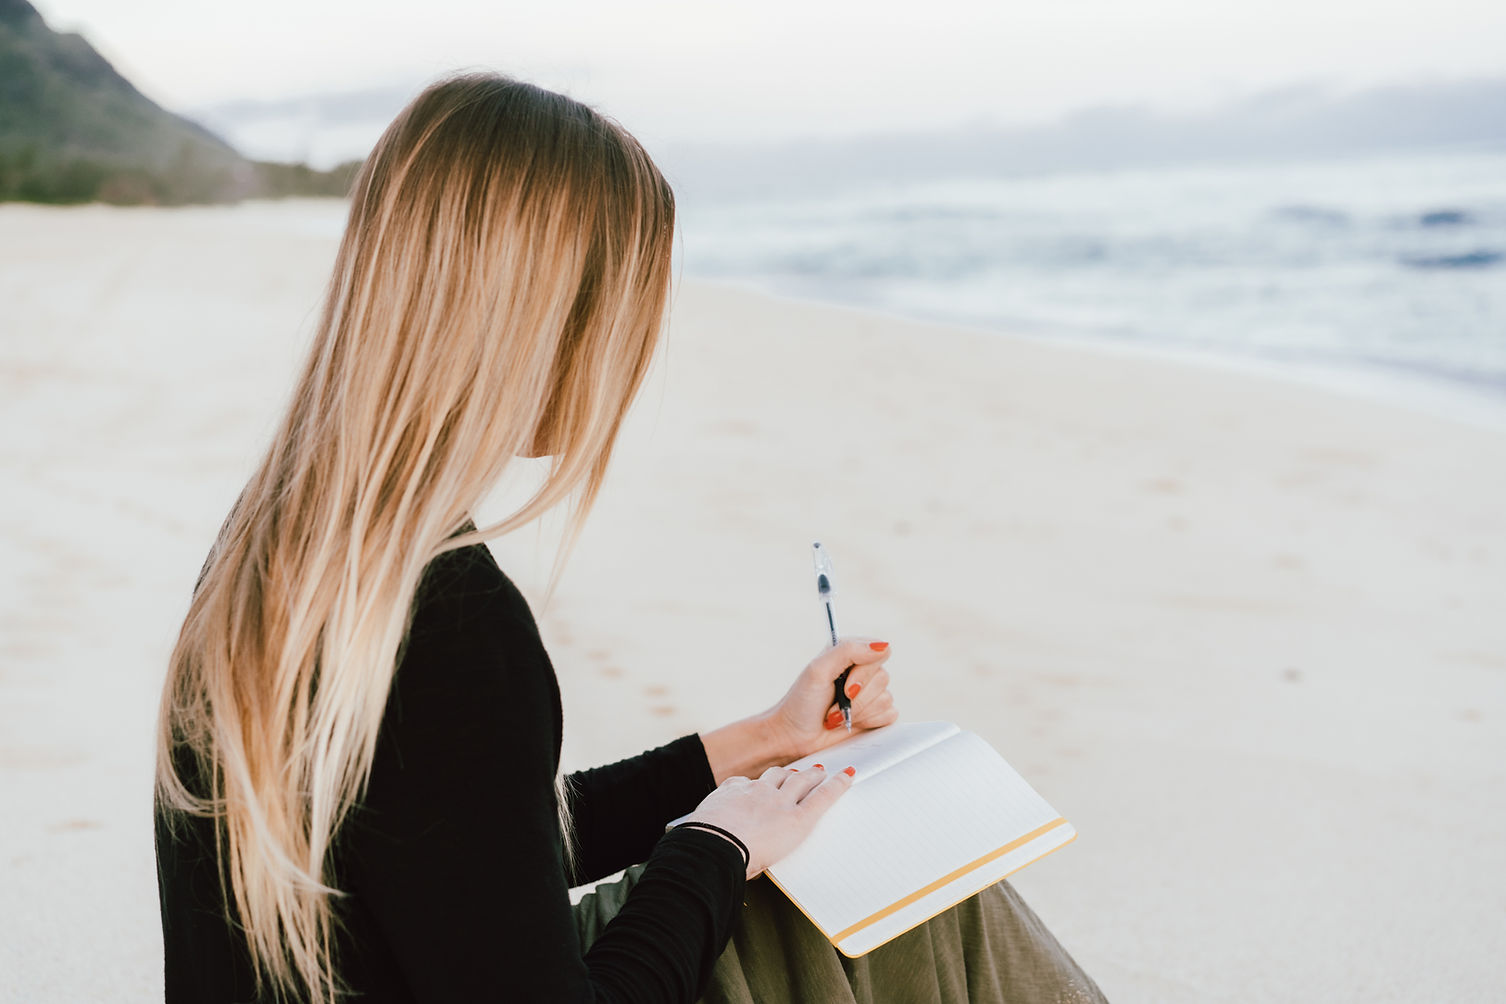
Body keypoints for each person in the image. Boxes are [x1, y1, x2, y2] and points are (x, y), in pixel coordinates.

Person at [153, 71, 1107, 1003]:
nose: (635, 353)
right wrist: (717, 848)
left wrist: (763, 744)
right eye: (628, 311)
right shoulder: (448, 619)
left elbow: (464, 852)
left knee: (903, 889)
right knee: (925, 893)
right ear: (540, 320)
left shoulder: (290, 546)